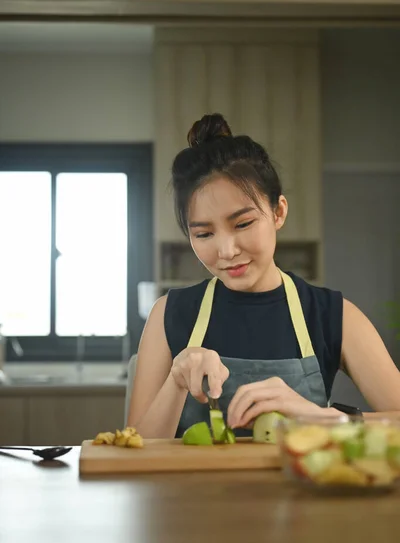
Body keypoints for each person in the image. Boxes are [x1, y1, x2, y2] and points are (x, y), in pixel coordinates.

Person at [127, 113, 400, 438]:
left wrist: (322, 417)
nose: (226, 250)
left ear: (278, 212)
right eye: (203, 234)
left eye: (242, 224)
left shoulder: (334, 315)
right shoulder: (168, 314)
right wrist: (175, 381)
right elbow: (134, 449)